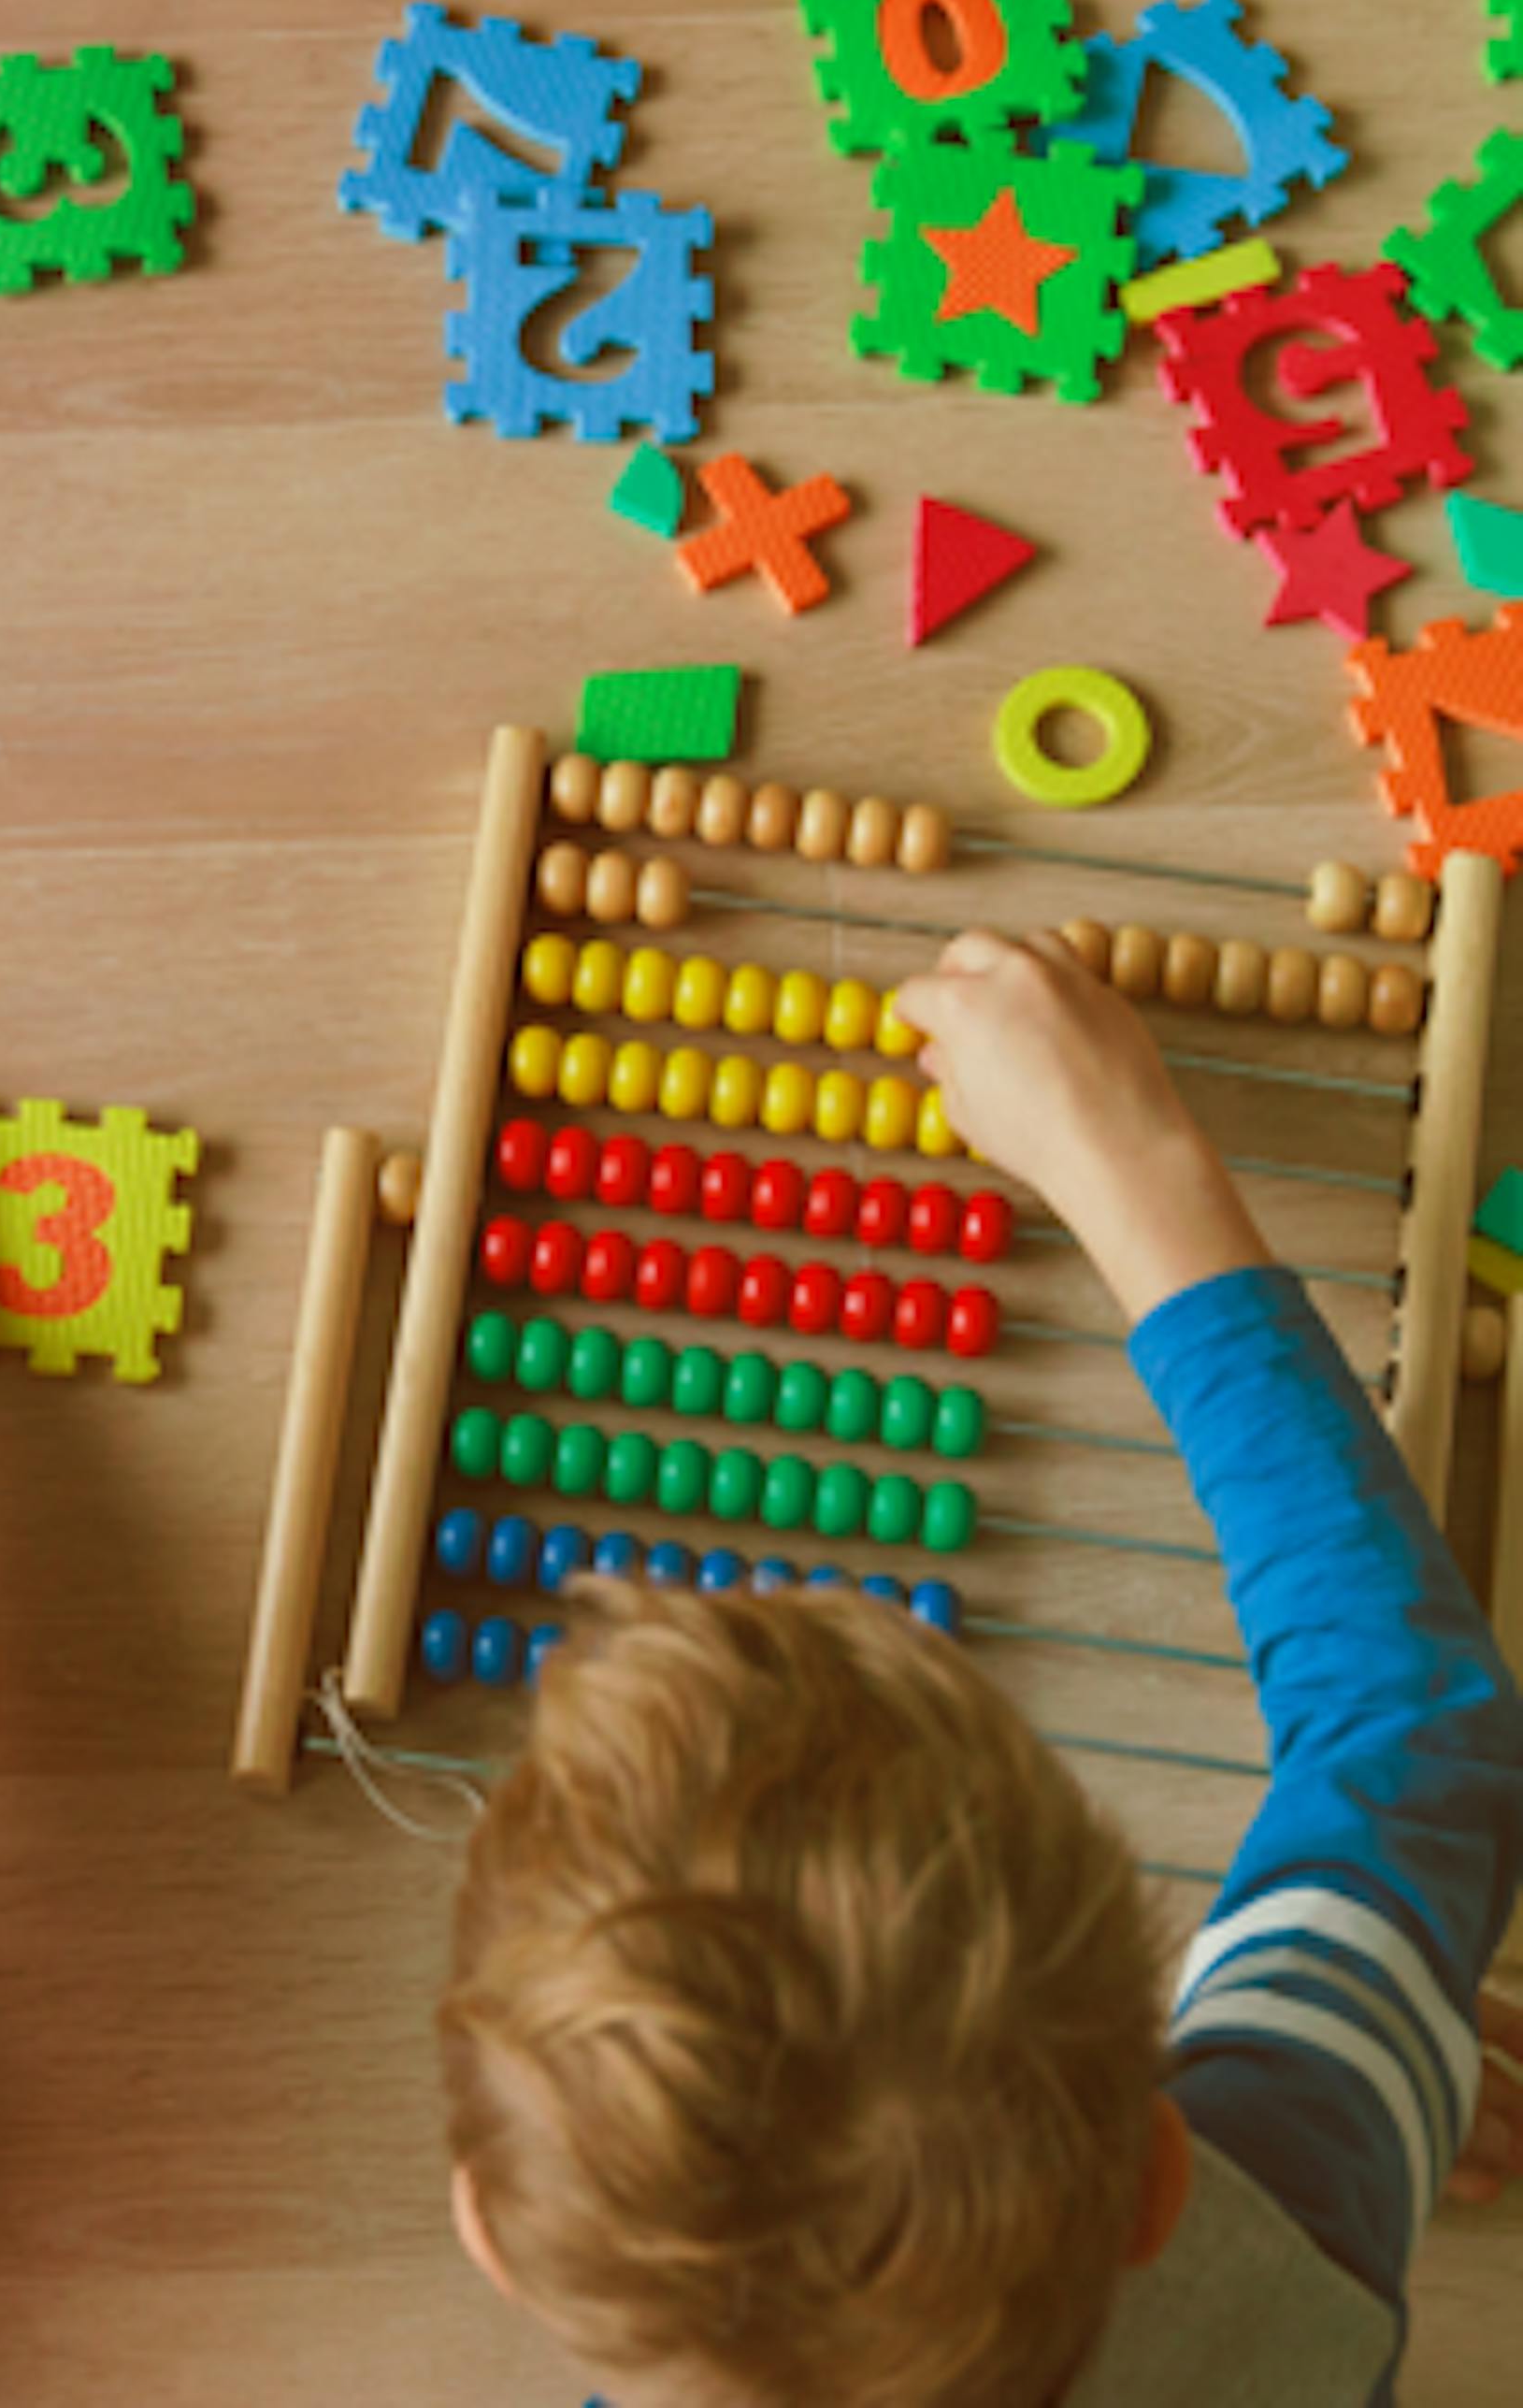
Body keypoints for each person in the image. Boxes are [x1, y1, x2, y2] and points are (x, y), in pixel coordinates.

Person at [439, 928, 1523, 2407]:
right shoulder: (1280, 2187)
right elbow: (1404, 1714)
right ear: (1159, 2177)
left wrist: (1376, 2040)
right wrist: (1127, 1164)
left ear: (494, 2236)